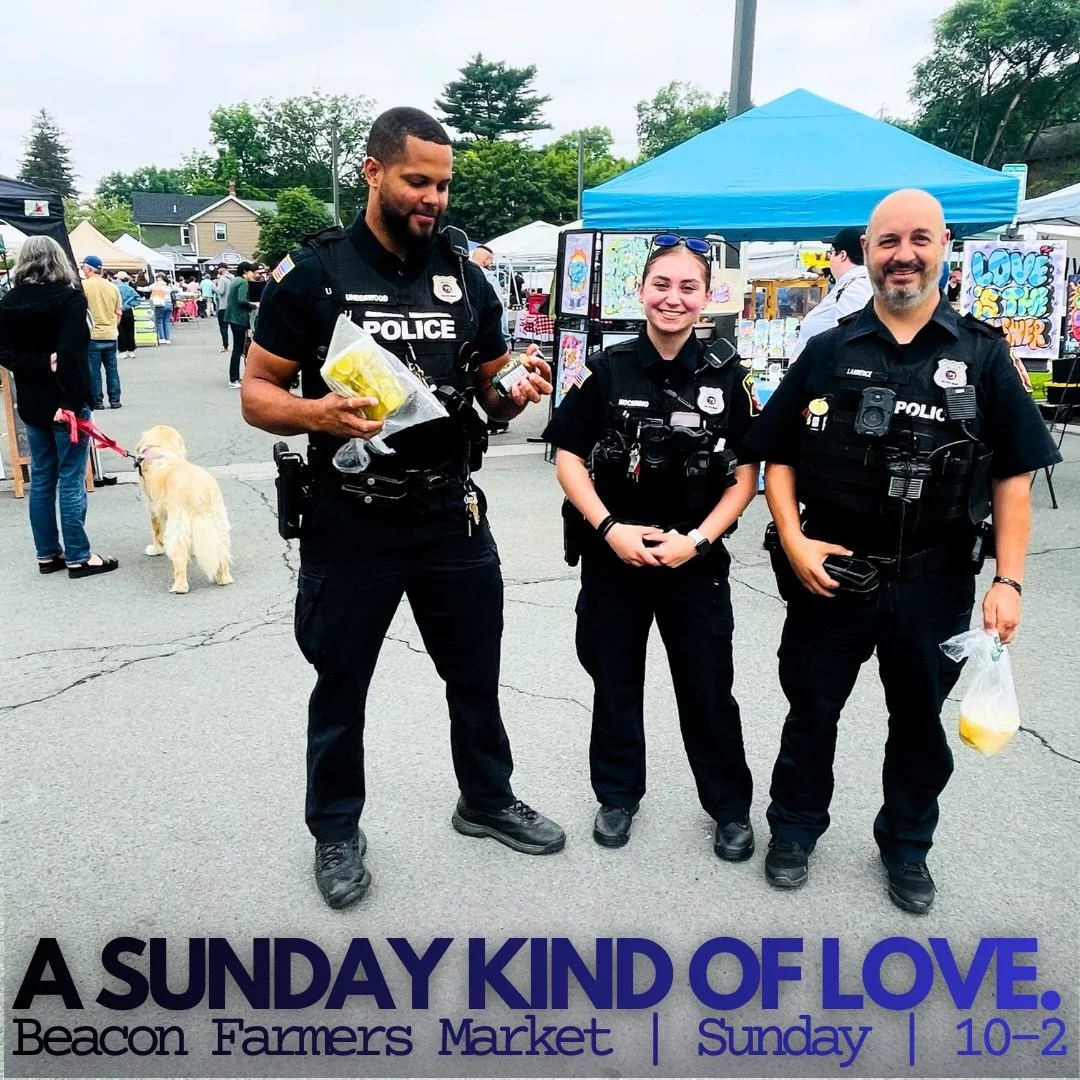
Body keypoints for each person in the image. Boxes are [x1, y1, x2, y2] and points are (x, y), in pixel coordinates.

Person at [241, 106, 565, 909]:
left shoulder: (462, 272)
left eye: (444, 185)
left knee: (475, 675)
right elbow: (257, 392)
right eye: (419, 181)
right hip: (350, 516)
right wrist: (319, 413)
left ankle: (485, 801)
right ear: (374, 172)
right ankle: (336, 833)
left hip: (448, 513)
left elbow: (493, 388)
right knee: (341, 684)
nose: (434, 199)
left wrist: (515, 390)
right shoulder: (313, 275)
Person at [742, 189, 1062, 914]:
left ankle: (907, 847)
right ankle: (794, 829)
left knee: (918, 727)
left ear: (944, 245)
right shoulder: (828, 349)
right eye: (888, 241)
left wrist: (1008, 580)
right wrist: (792, 539)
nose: (903, 254)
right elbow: (777, 453)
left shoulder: (983, 355)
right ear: (868, 251)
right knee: (811, 712)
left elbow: (1014, 475)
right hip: (831, 575)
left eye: (920, 238)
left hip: (934, 579)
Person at [543, 237, 759, 855]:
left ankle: (729, 809)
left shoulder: (728, 374)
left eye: (688, 287)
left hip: (695, 560)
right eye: (661, 284)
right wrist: (609, 527)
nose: (673, 298)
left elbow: (747, 473)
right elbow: (568, 455)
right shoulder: (607, 369)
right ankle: (617, 797)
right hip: (617, 559)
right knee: (615, 682)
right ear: (640, 291)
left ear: (707, 297)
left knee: (708, 688)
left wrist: (698, 540)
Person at [0, 236, 118, 578]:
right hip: (65, 403)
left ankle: (47, 554)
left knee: (41, 479)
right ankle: (80, 557)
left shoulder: (8, 301)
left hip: (32, 403)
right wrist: (69, 400)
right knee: (70, 479)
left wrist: (36, 363)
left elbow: (4, 352)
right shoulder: (68, 299)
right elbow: (73, 357)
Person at [791, 228, 873, 358]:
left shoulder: (856, 286)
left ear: (842, 255)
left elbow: (851, 341)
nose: (830, 260)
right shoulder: (850, 284)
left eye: (831, 252)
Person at [470, 245, 511, 436]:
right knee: (496, 380)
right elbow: (498, 312)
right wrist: (505, 337)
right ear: (486, 260)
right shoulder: (487, 278)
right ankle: (496, 423)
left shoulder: (462, 273)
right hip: (491, 338)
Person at [80, 255, 123, 409]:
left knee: (94, 370)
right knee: (112, 369)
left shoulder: (83, 286)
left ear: (89, 268)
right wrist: (113, 327)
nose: (83, 270)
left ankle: (97, 401)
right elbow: (119, 312)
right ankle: (115, 399)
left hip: (92, 334)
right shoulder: (113, 287)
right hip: (111, 333)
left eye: (83, 267)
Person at [224, 262, 258, 388]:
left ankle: (234, 377)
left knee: (237, 350)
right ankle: (233, 379)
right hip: (239, 318)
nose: (253, 275)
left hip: (232, 317)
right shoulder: (243, 282)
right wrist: (254, 306)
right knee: (238, 350)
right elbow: (242, 300)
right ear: (245, 271)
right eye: (251, 272)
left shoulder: (235, 280)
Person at [114, 272, 141, 358]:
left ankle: (122, 351)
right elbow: (138, 299)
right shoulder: (130, 288)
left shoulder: (115, 288)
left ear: (119, 279)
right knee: (130, 330)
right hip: (129, 311)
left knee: (121, 331)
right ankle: (131, 350)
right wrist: (129, 305)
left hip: (118, 310)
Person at [142, 272, 173, 344]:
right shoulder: (169, 285)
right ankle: (168, 338)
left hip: (160, 304)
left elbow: (146, 289)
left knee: (159, 321)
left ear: (159, 278)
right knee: (167, 321)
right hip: (169, 304)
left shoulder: (155, 285)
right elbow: (175, 289)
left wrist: (137, 287)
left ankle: (162, 338)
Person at [213, 266, 231, 353]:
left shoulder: (222, 279)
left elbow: (220, 291)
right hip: (232, 306)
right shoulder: (232, 278)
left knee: (223, 327)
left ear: (222, 269)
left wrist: (213, 287)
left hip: (223, 306)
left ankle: (225, 346)